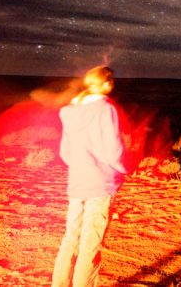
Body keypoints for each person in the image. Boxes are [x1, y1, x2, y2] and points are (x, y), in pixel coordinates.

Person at [51, 65, 126, 287]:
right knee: (90, 244)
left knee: (70, 238)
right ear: (106, 83)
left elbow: (65, 153)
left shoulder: (70, 112)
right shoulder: (105, 109)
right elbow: (114, 152)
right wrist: (123, 169)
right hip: (100, 185)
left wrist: (81, 166)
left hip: (77, 183)